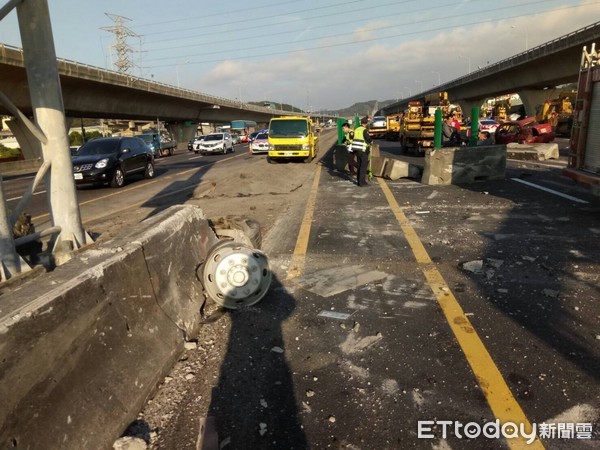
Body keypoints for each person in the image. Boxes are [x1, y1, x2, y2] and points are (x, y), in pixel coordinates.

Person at [350, 117, 373, 187]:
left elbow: (354, 137)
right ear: (366, 124)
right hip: (362, 150)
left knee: (359, 166)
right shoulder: (364, 130)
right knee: (363, 166)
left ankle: (358, 181)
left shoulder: (356, 129)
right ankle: (362, 182)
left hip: (356, 150)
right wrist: (371, 140)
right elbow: (367, 139)